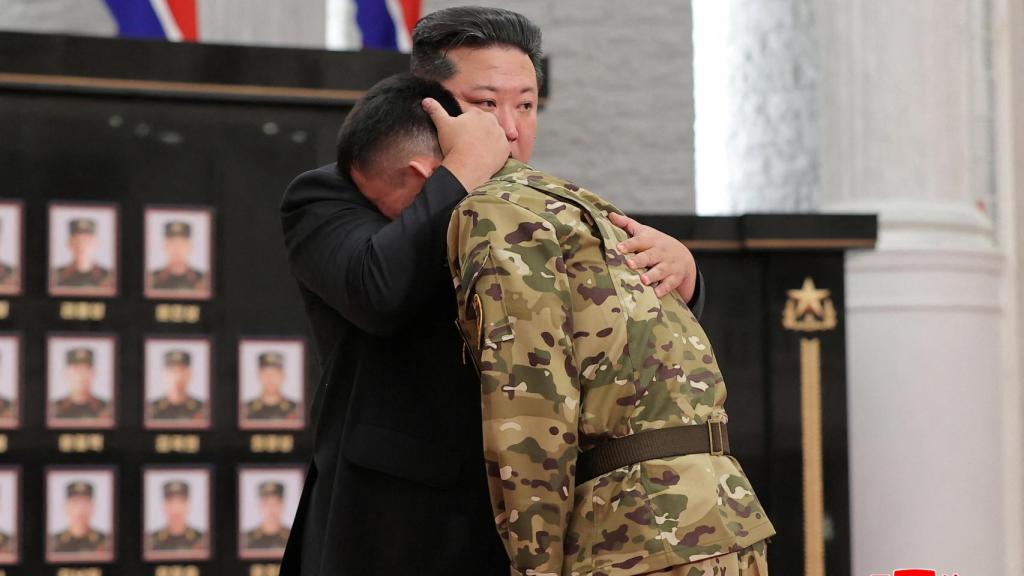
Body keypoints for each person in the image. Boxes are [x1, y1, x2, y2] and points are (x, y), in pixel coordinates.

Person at [280, 8, 704, 575]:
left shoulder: (546, 210)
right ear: (426, 102)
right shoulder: (335, 193)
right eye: (485, 104)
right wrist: (460, 174)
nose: (509, 127)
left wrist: (683, 271)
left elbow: (634, 343)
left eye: (525, 104)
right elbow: (377, 291)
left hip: (538, 519)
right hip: (392, 528)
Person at [50, 347, 111, 424]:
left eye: (86, 369)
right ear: (66, 373)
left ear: (94, 373)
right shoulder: (53, 410)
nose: (81, 375)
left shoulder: (107, 409)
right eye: (76, 369)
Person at [149, 221, 208, 293]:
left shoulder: (203, 280)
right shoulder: (151, 280)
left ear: (190, 246)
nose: (177, 249)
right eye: (172, 243)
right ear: (165, 246)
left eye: (182, 243)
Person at [50, 481, 109, 555]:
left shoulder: (106, 541)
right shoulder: (53, 542)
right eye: (75, 503)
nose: (80, 510)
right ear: (66, 507)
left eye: (85, 503)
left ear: (93, 507)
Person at [52, 218, 112, 289]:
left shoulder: (109, 277)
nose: (82, 245)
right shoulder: (55, 276)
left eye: (87, 240)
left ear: (96, 243)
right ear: (69, 243)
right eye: (77, 240)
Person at [148, 350, 206, 424]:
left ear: (190, 374)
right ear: (164, 374)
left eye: (182, 371)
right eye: (172, 371)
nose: (178, 377)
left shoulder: (203, 409)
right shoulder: (151, 410)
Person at [148, 481, 205, 552]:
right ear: (164, 506)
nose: (176, 509)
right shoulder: (151, 541)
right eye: (171, 503)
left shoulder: (202, 540)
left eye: (181, 502)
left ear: (188, 506)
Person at [243, 352, 299, 421]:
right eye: (266, 373)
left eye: (275, 374)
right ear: (258, 375)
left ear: (283, 376)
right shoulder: (246, 410)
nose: (270, 379)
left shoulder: (296, 409)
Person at [242, 481, 291, 551]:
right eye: (267, 504)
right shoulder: (246, 539)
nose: (271, 509)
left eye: (276, 504)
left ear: (282, 506)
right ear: (260, 507)